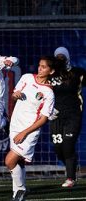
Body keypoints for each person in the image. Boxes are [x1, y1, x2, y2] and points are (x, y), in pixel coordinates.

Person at [5, 56, 58, 201]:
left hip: (29, 131)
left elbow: (43, 119)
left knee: (9, 161)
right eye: (39, 65)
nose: (40, 68)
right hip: (15, 125)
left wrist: (24, 132)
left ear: (51, 71)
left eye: (44, 67)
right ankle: (18, 193)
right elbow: (14, 95)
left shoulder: (48, 93)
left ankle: (21, 189)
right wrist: (15, 95)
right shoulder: (27, 77)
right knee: (18, 161)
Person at [49, 47, 86, 187]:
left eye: (62, 57)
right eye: (57, 57)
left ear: (67, 57)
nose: (60, 59)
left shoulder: (77, 73)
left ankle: (71, 178)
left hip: (73, 115)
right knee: (59, 149)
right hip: (55, 117)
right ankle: (73, 165)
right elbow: (39, 92)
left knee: (68, 144)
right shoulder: (50, 75)